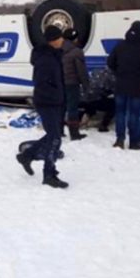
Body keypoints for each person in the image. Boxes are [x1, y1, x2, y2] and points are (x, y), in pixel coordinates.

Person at [15, 25, 68, 189]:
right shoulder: (46, 59)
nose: (63, 40)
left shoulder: (54, 55)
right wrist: (54, 96)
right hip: (47, 102)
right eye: (60, 38)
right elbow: (41, 83)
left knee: (54, 135)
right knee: (55, 138)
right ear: (54, 40)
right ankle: (49, 175)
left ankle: (27, 156)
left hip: (55, 101)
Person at [107, 21, 140, 150]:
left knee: (120, 113)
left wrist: (118, 72)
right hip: (137, 86)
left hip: (121, 84)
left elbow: (110, 62)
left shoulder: (120, 45)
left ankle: (120, 139)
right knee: (134, 113)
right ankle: (133, 141)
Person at [61, 28, 89, 141]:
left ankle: (59, 131)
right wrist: (86, 84)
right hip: (72, 84)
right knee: (72, 108)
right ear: (74, 38)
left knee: (60, 107)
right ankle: (74, 133)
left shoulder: (58, 49)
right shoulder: (77, 51)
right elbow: (81, 71)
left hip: (60, 83)